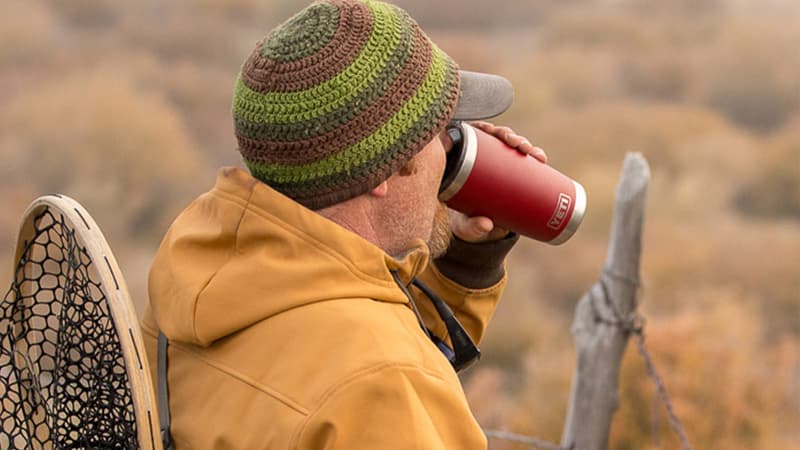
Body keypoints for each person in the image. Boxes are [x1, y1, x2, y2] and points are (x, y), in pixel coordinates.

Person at [140, 0, 545, 448]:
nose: (452, 150)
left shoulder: (196, 271)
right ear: (384, 174)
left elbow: (326, 339)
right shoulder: (387, 384)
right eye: (442, 132)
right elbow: (366, 370)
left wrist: (466, 260)